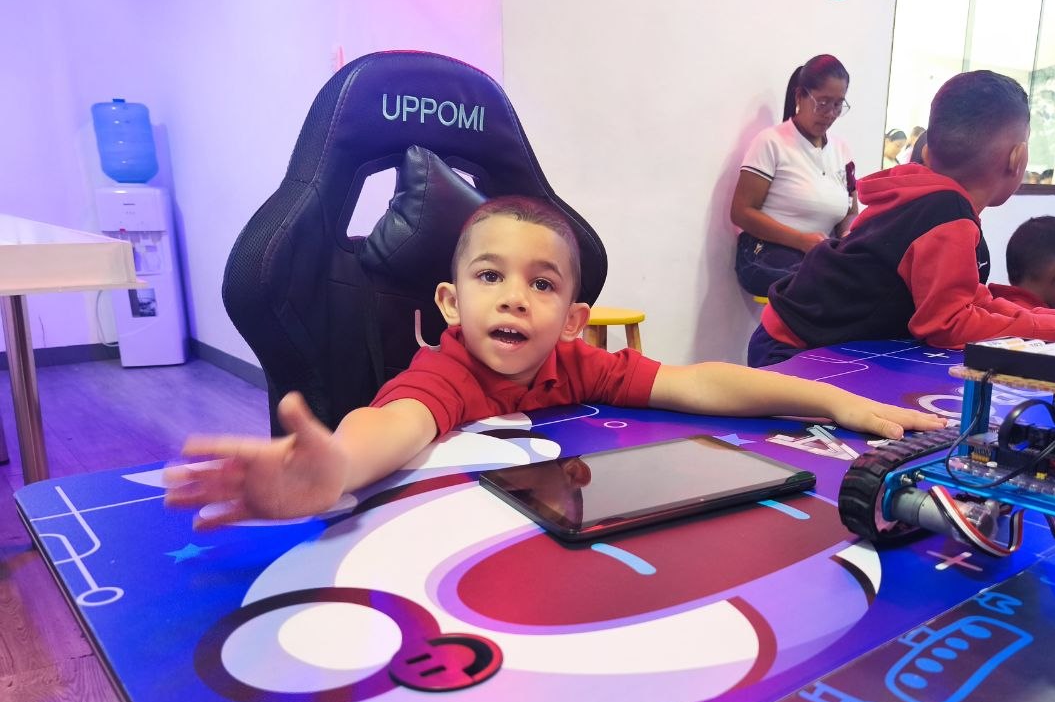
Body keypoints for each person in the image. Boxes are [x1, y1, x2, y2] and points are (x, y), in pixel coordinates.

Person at [166, 196, 944, 528]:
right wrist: (334, 468)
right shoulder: (448, 372)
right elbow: (393, 424)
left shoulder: (573, 364)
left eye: (541, 285)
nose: (514, 298)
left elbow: (695, 382)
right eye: (490, 277)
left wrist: (830, 401)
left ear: (573, 319)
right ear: (450, 304)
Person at [747, 70, 1055, 367]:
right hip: (793, 350)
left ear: (929, 151)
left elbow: (970, 299)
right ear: (1018, 158)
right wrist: (1054, 332)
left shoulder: (929, 199)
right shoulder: (947, 215)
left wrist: (1052, 320)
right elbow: (948, 324)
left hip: (790, 334)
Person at [730, 55, 857, 298]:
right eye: (823, 103)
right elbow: (741, 212)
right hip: (764, 252)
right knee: (822, 287)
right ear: (800, 96)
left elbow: (850, 211)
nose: (830, 113)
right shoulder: (772, 142)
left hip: (815, 254)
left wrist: (847, 237)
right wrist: (800, 240)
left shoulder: (842, 150)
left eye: (838, 105)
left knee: (866, 283)